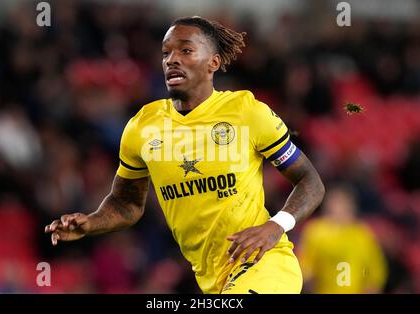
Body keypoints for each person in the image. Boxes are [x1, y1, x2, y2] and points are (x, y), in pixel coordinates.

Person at [45, 16, 325, 294]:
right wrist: (91, 222)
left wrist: (276, 226)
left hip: (266, 265)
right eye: (166, 53)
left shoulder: (247, 112)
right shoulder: (143, 127)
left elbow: (310, 181)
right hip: (214, 281)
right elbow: (126, 204)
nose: (172, 60)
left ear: (213, 63)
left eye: (186, 51)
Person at [298, 184, 387, 293]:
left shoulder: (363, 234)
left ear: (351, 207)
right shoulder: (316, 231)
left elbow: (375, 273)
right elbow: (306, 267)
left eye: (342, 204)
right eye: (334, 204)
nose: (338, 209)